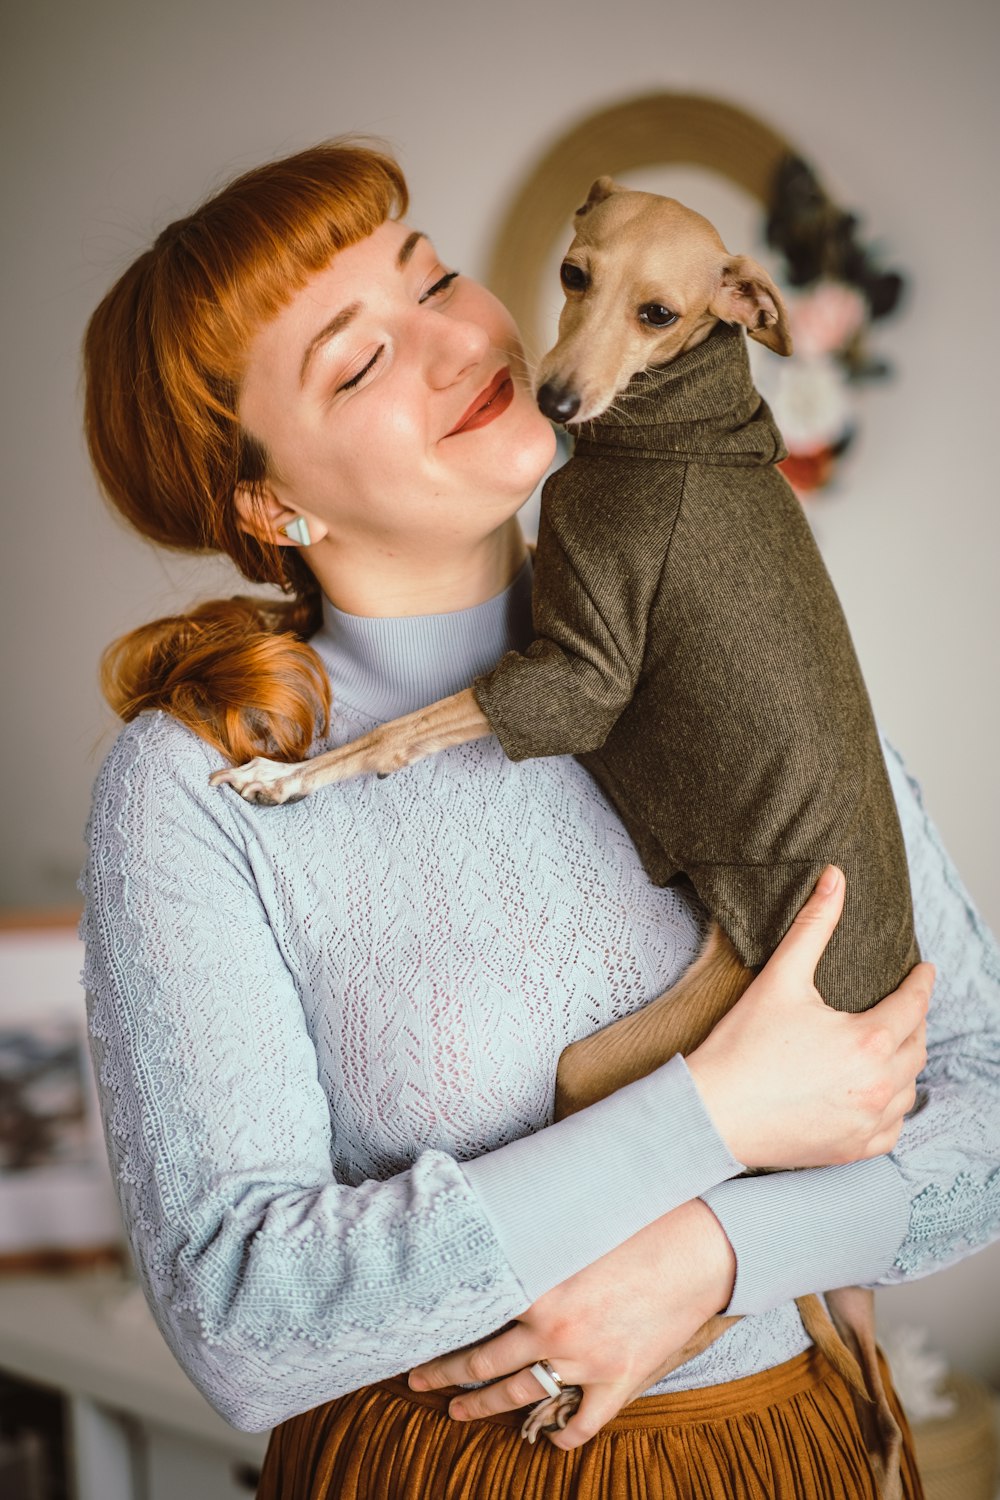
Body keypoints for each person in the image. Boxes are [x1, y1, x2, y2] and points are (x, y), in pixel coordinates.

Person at [78, 142, 998, 1500]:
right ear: (273, 504)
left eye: (432, 275)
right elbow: (243, 1321)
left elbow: (981, 1094)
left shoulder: (722, 615)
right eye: (358, 362)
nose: (454, 341)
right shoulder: (195, 791)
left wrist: (709, 1254)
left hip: (794, 1458)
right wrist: (717, 1108)